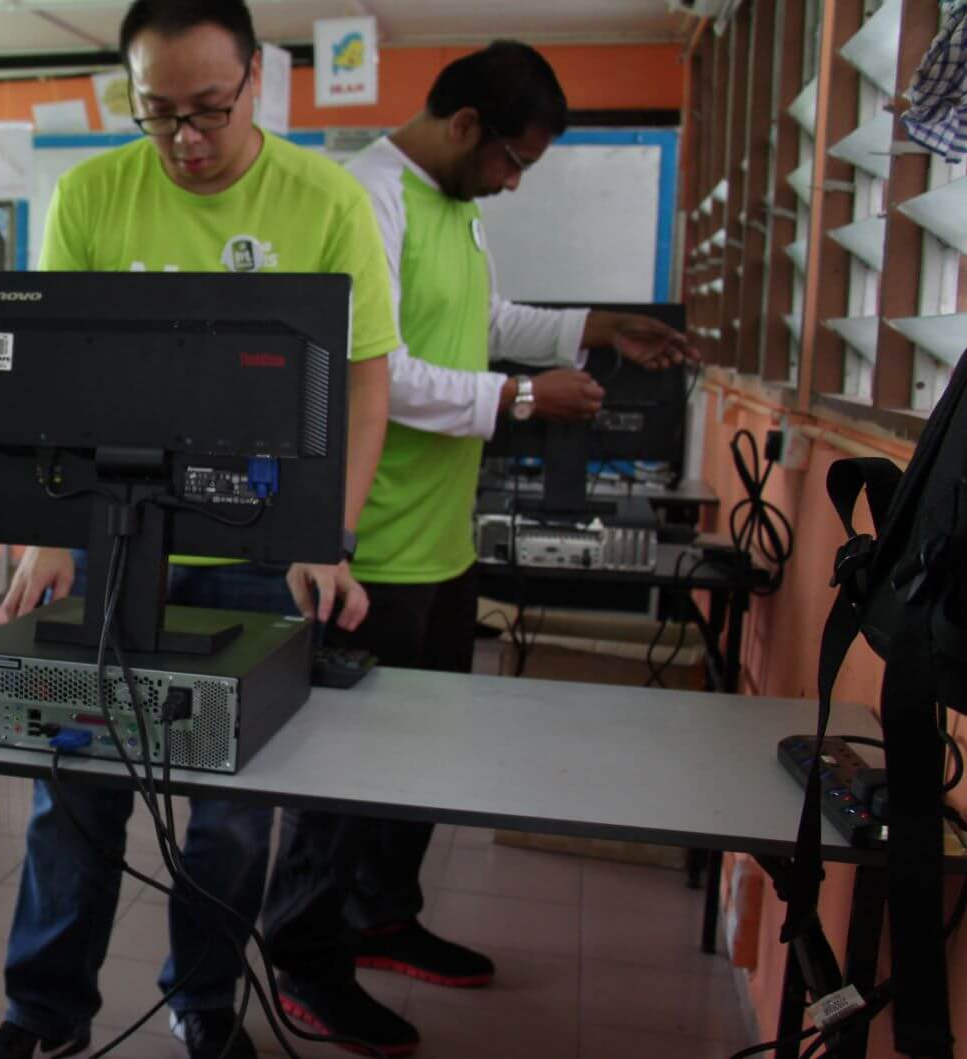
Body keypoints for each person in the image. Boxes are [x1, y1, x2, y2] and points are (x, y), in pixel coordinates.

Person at [0, 2, 398, 1056]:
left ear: (256, 79)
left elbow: (362, 383)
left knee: (229, 808)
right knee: (72, 784)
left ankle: (204, 1004)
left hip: (257, 554)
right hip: (113, 545)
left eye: (208, 108)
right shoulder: (89, 193)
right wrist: (42, 536)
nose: (185, 140)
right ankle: (43, 1014)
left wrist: (322, 534)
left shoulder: (325, 197)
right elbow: (47, 379)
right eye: (156, 113)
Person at [255, 41, 700, 1055]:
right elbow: (379, 368)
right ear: (464, 126)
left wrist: (592, 326)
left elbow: (481, 321)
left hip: (440, 543)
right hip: (366, 549)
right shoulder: (366, 196)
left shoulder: (453, 209)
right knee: (338, 780)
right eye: (511, 162)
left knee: (415, 765)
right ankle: (301, 959)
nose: (509, 183)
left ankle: (381, 916)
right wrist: (515, 397)